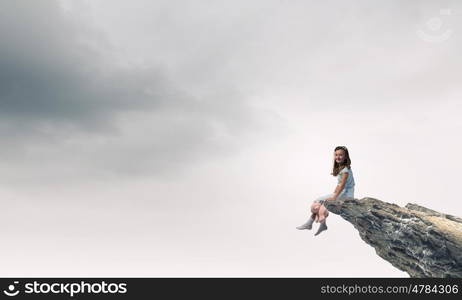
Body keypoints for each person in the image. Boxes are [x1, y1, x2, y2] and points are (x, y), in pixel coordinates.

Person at [296, 146, 355, 236]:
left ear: (345, 157)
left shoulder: (345, 170)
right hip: (341, 192)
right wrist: (334, 193)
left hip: (346, 194)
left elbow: (343, 185)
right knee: (316, 202)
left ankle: (320, 223)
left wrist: (334, 197)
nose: (338, 157)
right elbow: (339, 184)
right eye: (336, 155)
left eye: (341, 155)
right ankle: (311, 223)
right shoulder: (341, 168)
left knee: (323, 206)